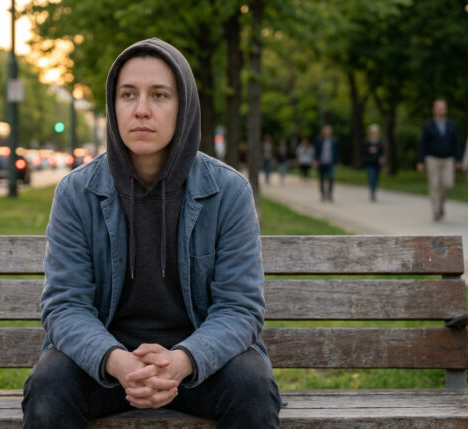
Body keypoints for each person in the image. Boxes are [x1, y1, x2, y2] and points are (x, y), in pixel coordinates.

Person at [21, 38, 281, 429]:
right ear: (113, 106)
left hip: (200, 364)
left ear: (185, 107)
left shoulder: (227, 191)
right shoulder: (78, 192)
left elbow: (240, 307)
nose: (141, 109)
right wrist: (117, 361)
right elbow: (65, 305)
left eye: (159, 95)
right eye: (129, 95)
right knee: (48, 386)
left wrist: (182, 361)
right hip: (105, 365)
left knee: (252, 387)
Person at [417, 99, 462, 221]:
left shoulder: (451, 124)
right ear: (434, 109)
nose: (441, 110)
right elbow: (423, 144)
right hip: (432, 158)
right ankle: (435, 210)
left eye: (443, 108)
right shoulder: (428, 125)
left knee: (449, 184)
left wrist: (458, 159)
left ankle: (441, 204)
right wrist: (420, 160)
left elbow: (456, 142)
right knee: (434, 184)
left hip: (448, 158)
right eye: (439, 108)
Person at [313, 124, 340, 202]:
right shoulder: (319, 140)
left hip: (331, 163)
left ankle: (330, 194)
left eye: (329, 130)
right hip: (321, 163)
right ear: (323, 132)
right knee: (321, 179)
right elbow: (316, 152)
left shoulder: (334, 141)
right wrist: (316, 160)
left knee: (331, 178)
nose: (328, 132)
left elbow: (336, 152)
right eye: (326, 130)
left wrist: (337, 162)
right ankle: (323, 194)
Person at [363, 124, 386, 202]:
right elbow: (363, 152)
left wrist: (382, 158)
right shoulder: (367, 142)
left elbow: (383, 152)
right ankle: (372, 193)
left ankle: (374, 192)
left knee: (376, 178)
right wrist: (369, 151)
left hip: (377, 163)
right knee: (371, 176)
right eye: (373, 132)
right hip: (370, 162)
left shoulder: (380, 142)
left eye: (375, 132)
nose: (374, 133)